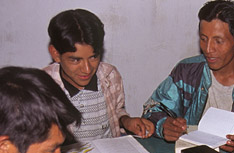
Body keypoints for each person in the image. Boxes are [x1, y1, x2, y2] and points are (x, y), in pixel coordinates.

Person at [142, 0, 234, 153]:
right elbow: (152, 109)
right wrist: (163, 125)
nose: (208, 49)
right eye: (203, 39)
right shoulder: (187, 72)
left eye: (218, 41)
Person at [45, 9, 154, 141]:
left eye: (93, 57)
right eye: (75, 60)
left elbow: (116, 111)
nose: (87, 69)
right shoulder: (43, 87)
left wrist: (126, 121)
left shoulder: (110, 76)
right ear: (56, 53)